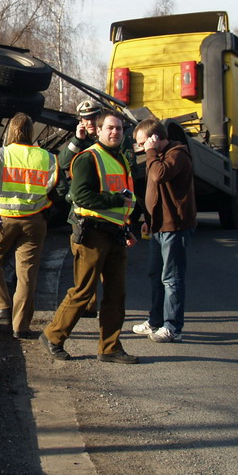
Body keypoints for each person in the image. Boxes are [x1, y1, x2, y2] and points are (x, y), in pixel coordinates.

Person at [42, 111, 140, 364]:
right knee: (84, 291)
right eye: (110, 128)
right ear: (98, 130)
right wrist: (117, 200)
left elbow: (127, 197)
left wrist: (127, 226)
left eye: (119, 128)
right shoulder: (88, 158)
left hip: (116, 233)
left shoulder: (121, 159)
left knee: (116, 294)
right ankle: (53, 336)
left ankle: (110, 348)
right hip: (92, 234)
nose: (115, 132)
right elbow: (81, 196)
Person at [0, 113, 59, 339]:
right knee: (27, 273)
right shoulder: (48, 158)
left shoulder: (0, 155)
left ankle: (1, 308)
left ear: (11, 131)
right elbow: (55, 186)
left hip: (3, 218)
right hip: (35, 220)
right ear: (31, 132)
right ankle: (20, 327)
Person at [130, 117, 196, 343]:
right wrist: (147, 219)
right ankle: (155, 321)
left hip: (173, 227)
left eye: (142, 142)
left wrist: (150, 153)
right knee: (155, 274)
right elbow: (153, 191)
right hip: (158, 226)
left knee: (172, 279)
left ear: (154, 138)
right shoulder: (157, 157)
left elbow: (159, 176)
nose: (141, 147)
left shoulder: (177, 154)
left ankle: (173, 326)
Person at [57, 99, 105, 317]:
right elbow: (63, 162)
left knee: (106, 265)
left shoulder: (111, 138)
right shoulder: (79, 141)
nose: (89, 122)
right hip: (83, 214)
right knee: (84, 263)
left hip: (107, 211)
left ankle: (108, 306)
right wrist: (78, 138)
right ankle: (88, 304)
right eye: (85, 118)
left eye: (93, 117)